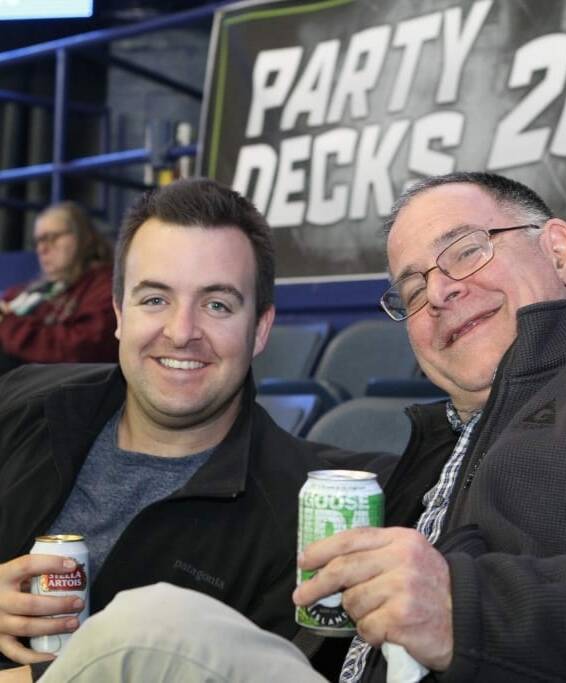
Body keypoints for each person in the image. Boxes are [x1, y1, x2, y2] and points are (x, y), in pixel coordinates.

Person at [9, 170, 566, 683]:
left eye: (467, 251)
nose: (439, 291)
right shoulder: (430, 458)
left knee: (147, 627)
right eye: (412, 287)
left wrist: (465, 606)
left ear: (561, 252)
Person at [0, 178, 388, 682]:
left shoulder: (302, 522)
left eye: (217, 304)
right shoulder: (23, 403)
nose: (182, 332)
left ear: (261, 330)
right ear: (119, 314)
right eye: (155, 299)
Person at [0, 201, 118, 373]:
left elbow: (80, 350)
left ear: (83, 237)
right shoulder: (35, 289)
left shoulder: (105, 286)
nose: (42, 248)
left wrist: (8, 323)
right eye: (38, 241)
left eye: (51, 237)